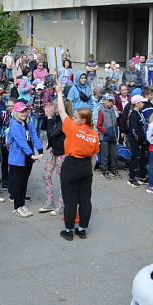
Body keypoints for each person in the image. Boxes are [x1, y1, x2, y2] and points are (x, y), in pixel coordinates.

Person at [53, 80, 100, 241]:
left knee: (70, 199)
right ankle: (82, 229)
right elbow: (94, 156)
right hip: (86, 167)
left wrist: (59, 93)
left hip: (72, 165)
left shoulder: (72, 129)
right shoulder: (94, 134)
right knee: (85, 199)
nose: (72, 118)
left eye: (75, 117)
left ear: (83, 121)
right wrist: (90, 172)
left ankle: (69, 230)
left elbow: (61, 110)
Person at [7, 101, 43, 218]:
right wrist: (31, 154)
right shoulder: (14, 124)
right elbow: (21, 141)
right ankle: (16, 207)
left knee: (24, 182)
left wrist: (40, 150)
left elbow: (34, 136)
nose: (24, 113)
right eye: (21, 111)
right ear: (16, 112)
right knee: (19, 182)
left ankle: (21, 205)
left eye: (25, 111)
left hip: (28, 157)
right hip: (19, 157)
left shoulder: (28, 122)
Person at [40, 98, 69, 215]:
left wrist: (50, 119)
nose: (54, 109)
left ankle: (62, 204)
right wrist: (46, 116)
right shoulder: (55, 118)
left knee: (60, 179)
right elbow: (44, 128)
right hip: (54, 151)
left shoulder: (64, 121)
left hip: (62, 153)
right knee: (46, 175)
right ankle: (50, 200)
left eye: (55, 108)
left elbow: (51, 135)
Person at [96, 93, 120, 180]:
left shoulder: (113, 110)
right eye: (109, 101)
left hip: (113, 136)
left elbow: (116, 121)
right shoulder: (101, 112)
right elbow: (98, 125)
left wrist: (116, 131)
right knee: (104, 155)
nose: (111, 103)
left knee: (114, 154)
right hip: (105, 137)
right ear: (104, 101)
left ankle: (114, 169)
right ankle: (104, 170)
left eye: (112, 101)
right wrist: (106, 131)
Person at [127, 95, 148, 188]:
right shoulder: (134, 115)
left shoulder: (140, 113)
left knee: (143, 158)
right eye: (141, 102)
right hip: (136, 141)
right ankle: (131, 178)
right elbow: (134, 130)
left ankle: (142, 176)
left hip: (142, 140)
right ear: (136, 104)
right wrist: (139, 139)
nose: (143, 104)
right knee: (135, 158)